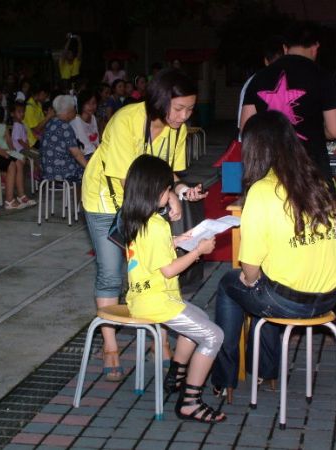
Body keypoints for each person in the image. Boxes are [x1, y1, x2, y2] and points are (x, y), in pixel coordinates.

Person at [81, 68, 206, 381]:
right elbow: (128, 180)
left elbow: (167, 172)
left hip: (147, 201)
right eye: (179, 108)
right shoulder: (126, 120)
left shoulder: (177, 129)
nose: (184, 116)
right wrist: (167, 198)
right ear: (160, 101)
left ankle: (159, 339)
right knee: (111, 273)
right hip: (106, 201)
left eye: (190, 109)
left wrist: (180, 190)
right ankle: (110, 346)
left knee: (156, 270)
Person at [210, 110, 336, 402]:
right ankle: (265, 370)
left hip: (290, 302)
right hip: (329, 297)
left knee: (231, 285)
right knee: (266, 286)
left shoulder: (261, 191)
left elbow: (249, 266)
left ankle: (224, 377)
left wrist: (250, 280)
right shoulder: (316, 181)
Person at [121, 154, 225, 423]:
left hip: (143, 297)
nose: (169, 195)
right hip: (157, 301)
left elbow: (152, 252)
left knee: (199, 319)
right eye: (167, 190)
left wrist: (178, 240)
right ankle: (190, 401)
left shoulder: (137, 219)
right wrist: (198, 251)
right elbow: (168, 270)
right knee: (213, 335)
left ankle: (176, 376)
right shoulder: (156, 225)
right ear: (154, 190)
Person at [240, 21, 336, 184]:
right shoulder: (323, 78)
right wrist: (315, 130)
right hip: (310, 171)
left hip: (267, 169)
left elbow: (246, 128)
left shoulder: (260, 77)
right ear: (315, 47)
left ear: (285, 47)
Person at [237, 34, 285, 140]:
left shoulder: (254, 81)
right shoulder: (298, 79)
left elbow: (244, 126)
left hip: (259, 144)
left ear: (266, 61)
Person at [40, 95, 87, 183]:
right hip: (61, 172)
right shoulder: (65, 127)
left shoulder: (50, 122)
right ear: (69, 111)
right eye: (74, 109)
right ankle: (80, 192)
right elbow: (76, 154)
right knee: (86, 169)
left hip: (47, 170)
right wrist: (89, 167)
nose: (75, 111)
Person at [69, 90, 99, 158]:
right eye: (88, 103)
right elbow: (85, 146)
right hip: (82, 156)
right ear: (82, 104)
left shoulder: (93, 117)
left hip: (94, 152)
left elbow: (96, 139)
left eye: (94, 103)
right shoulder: (76, 121)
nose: (91, 106)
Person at [23, 83, 54, 148]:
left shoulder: (38, 104)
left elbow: (42, 124)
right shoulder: (29, 107)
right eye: (46, 96)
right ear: (42, 93)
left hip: (39, 138)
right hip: (32, 142)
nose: (46, 98)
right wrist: (48, 116)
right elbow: (36, 129)